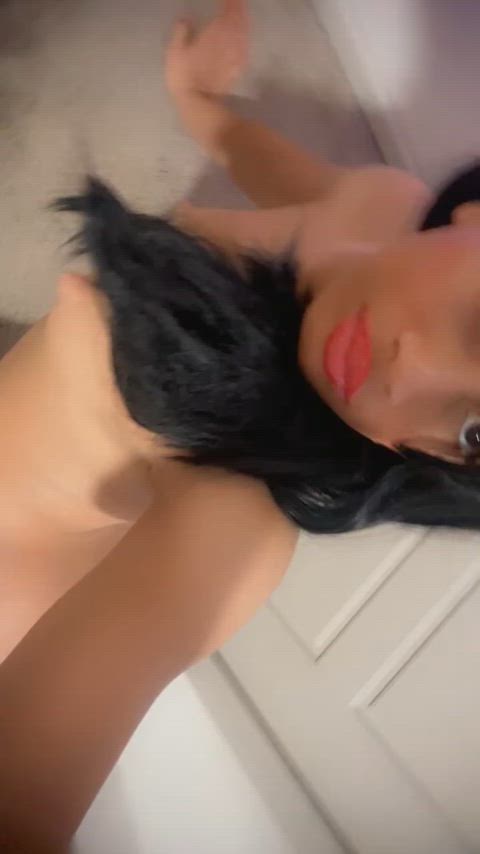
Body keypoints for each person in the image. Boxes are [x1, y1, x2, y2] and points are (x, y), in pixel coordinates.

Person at [2, 0, 480, 850]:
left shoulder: (234, 518)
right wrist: (200, 100)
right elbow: (267, 164)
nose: (409, 381)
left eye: (477, 436)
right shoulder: (382, 202)